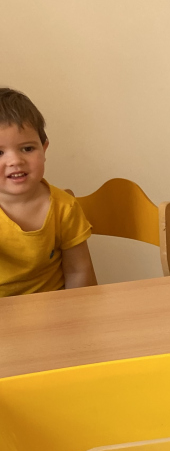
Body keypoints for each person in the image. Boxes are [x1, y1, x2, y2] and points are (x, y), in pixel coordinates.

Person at [0, 88, 96, 297]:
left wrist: (75, 311)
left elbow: (79, 271)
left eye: (27, 148)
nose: (15, 161)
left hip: (54, 308)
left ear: (44, 149)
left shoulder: (64, 207)